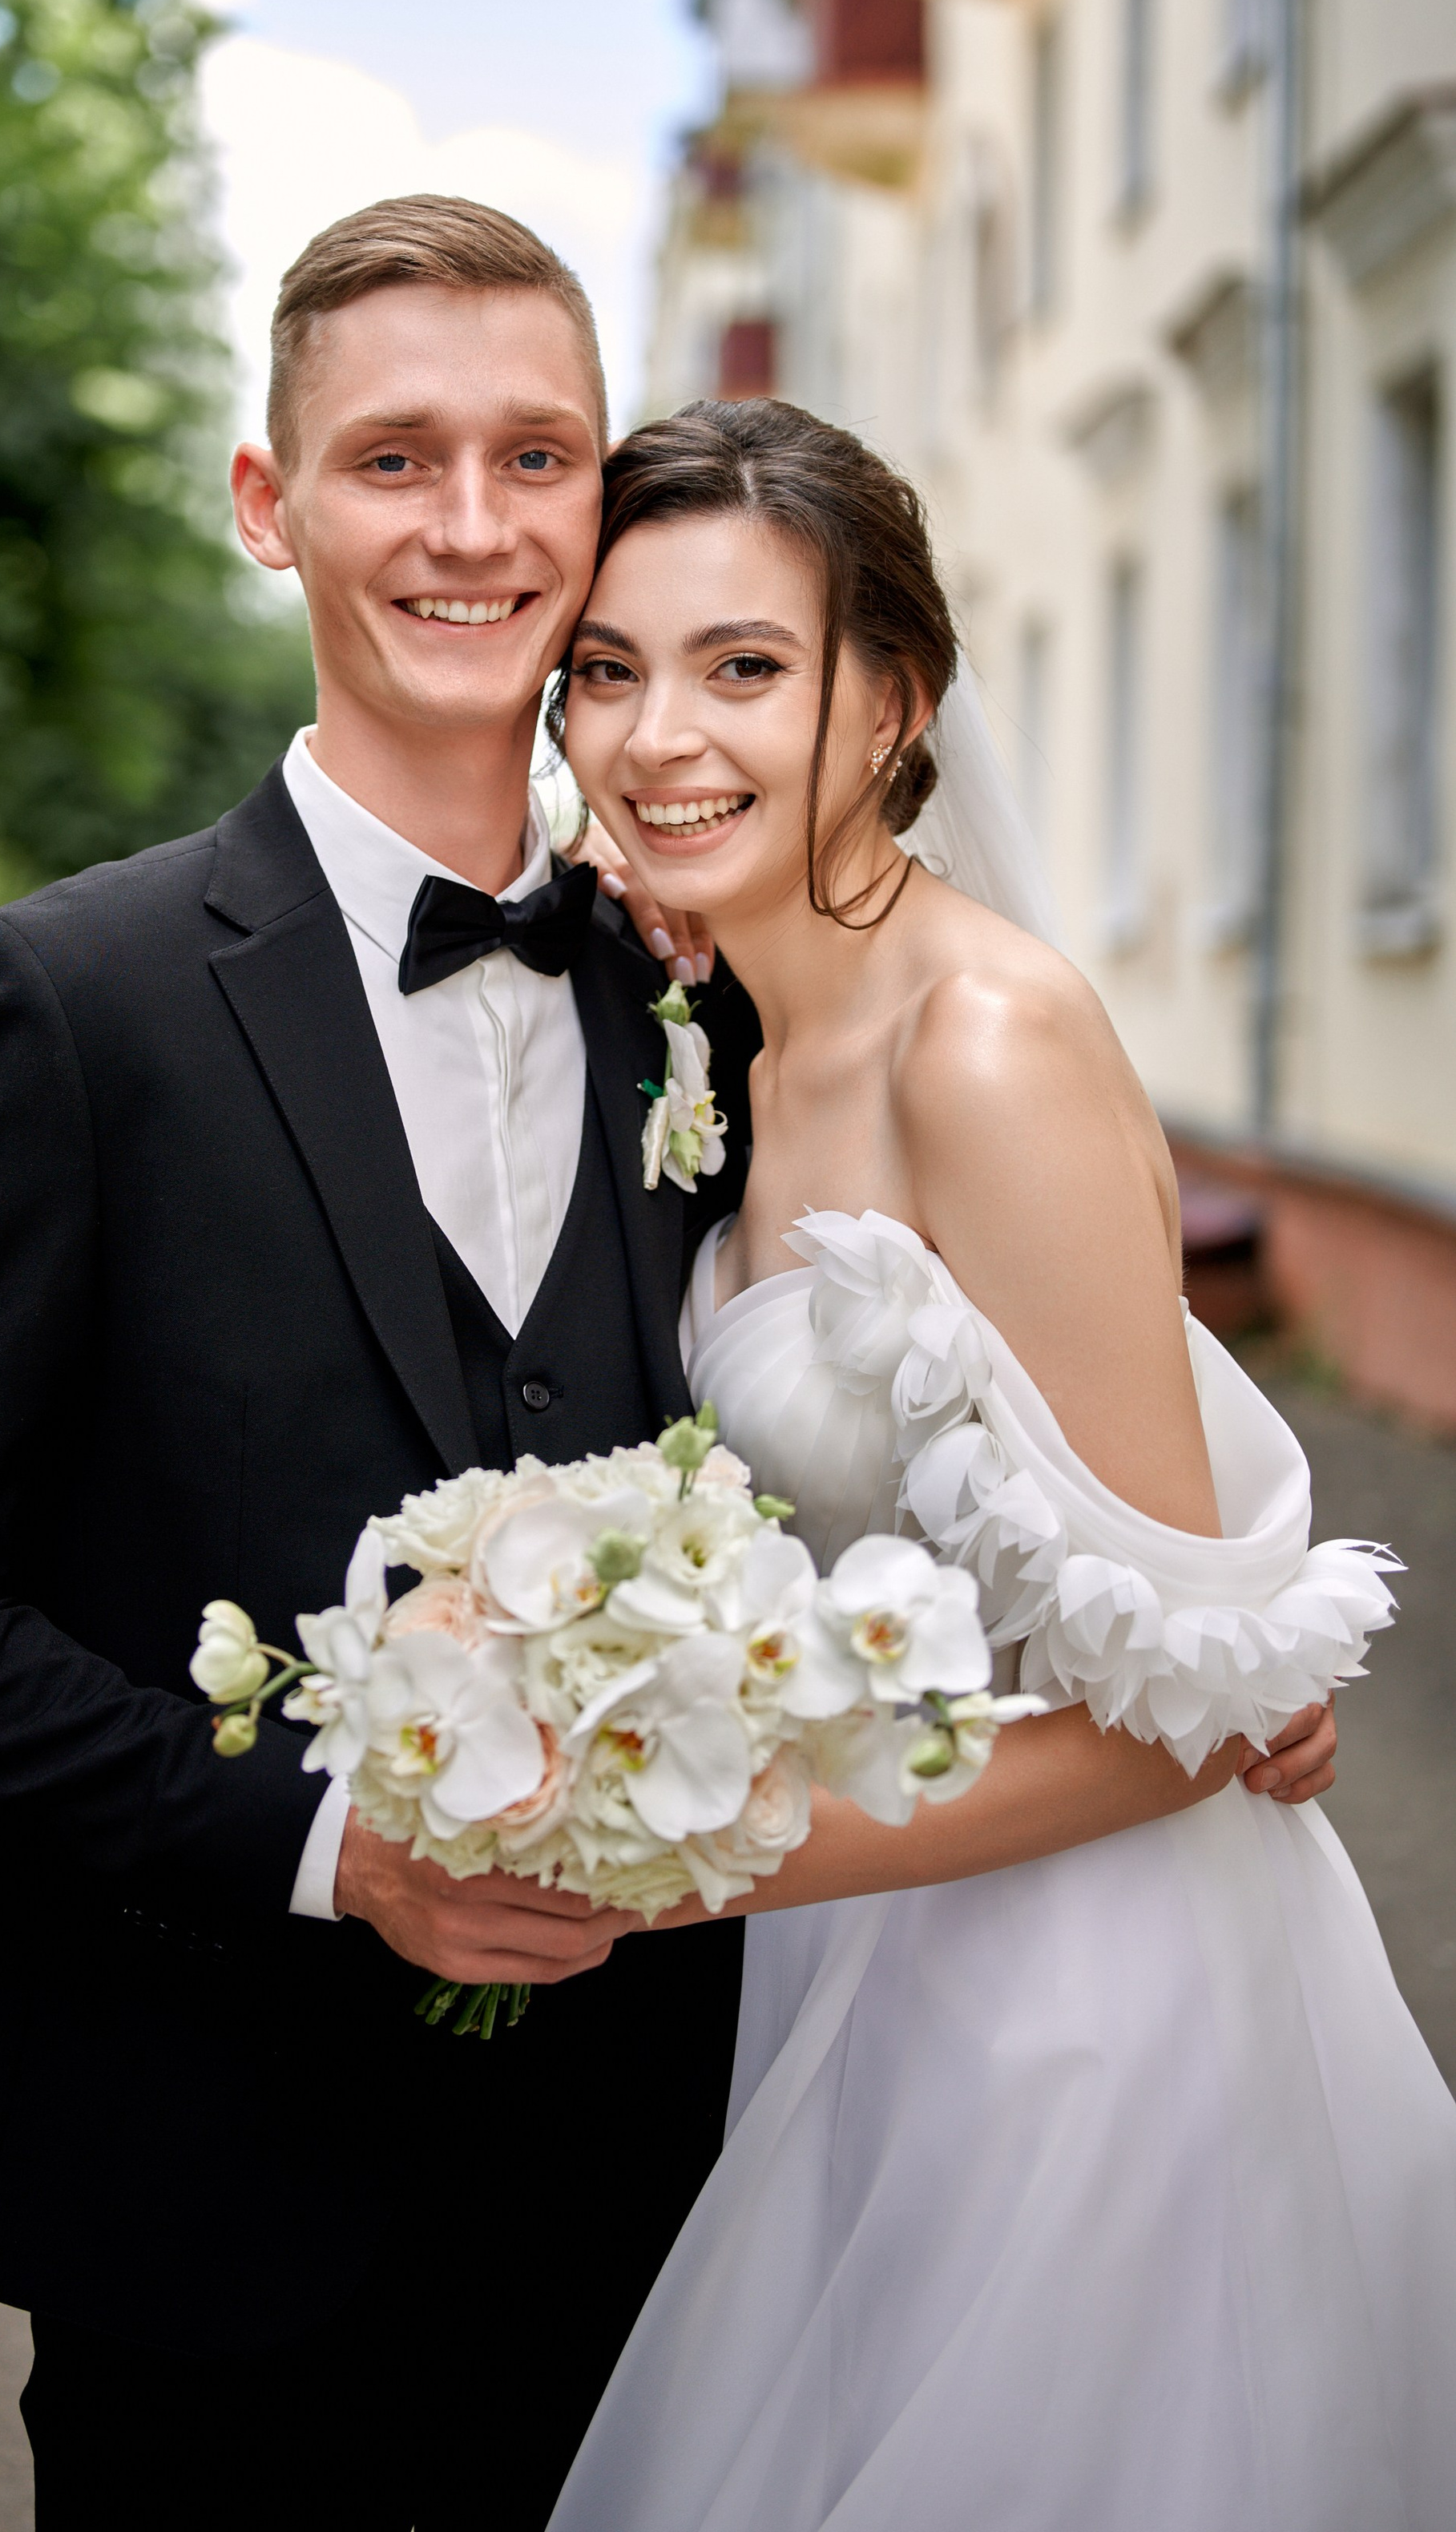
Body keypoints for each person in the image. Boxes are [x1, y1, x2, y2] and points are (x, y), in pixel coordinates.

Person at [0, 204, 1335, 2532]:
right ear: (265, 501)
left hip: (677, 2199)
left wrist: (1187, 1655)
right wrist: (331, 1847)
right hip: (206, 2211)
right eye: (395, 458)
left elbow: (991, 1430)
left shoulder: (723, 980)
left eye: (537, 455)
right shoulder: (64, 1002)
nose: (477, 525)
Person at [544, 397, 1456, 2532]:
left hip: (1083, 2012)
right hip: (879, 1929)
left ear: (893, 704)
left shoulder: (988, 1038)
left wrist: (675, 1852)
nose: (657, 734)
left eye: (743, 668)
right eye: (609, 669)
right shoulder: (733, 1028)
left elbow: (1203, 1716)